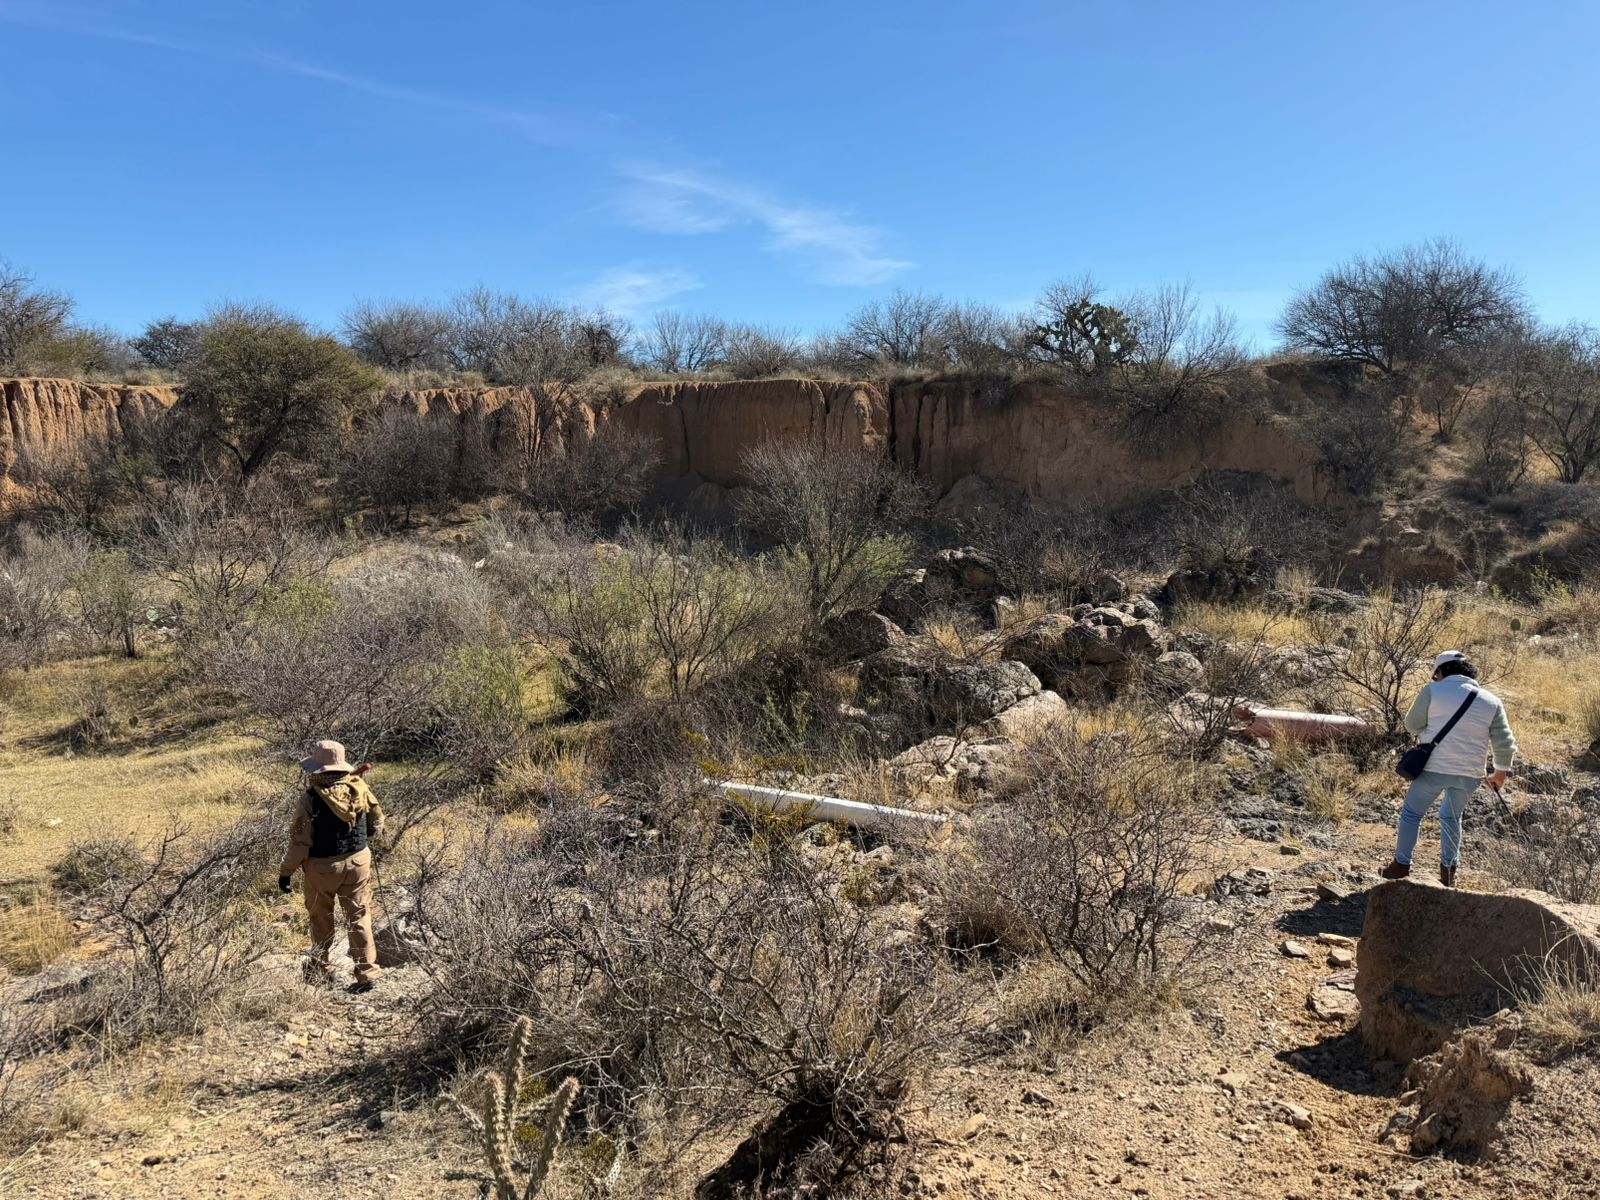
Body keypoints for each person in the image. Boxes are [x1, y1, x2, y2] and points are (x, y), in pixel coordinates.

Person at [1380, 651, 1517, 888]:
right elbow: (1504, 741)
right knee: (1452, 817)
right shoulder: (1492, 701)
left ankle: (1401, 865)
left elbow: (1412, 725)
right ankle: (1449, 873)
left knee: (1412, 813)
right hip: (1470, 774)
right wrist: (1500, 774)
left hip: (1434, 768)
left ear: (1441, 671)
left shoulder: (1433, 690)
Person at [278, 739, 385, 993]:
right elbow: (377, 822)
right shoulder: (359, 787)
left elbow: (300, 843)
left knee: (320, 919)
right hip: (359, 861)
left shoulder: (310, 799)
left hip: (322, 868)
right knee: (359, 916)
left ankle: (321, 970)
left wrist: (286, 872)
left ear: (316, 770)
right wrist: (363, 840)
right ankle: (367, 974)